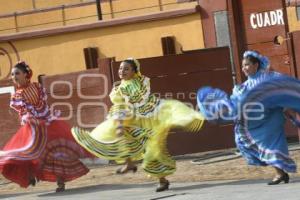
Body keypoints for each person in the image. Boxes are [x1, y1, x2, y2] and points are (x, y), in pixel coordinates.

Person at [72, 58, 204, 192]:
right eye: (120, 68)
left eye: (126, 69)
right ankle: (129, 163)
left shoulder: (139, 82)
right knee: (119, 134)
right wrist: (120, 115)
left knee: (152, 149)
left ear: (135, 71)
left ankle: (162, 180)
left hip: (146, 119)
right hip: (131, 118)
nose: (122, 71)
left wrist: (123, 94)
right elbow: (120, 103)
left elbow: (139, 100)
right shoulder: (121, 86)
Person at [197, 50, 300, 185]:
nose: (243, 68)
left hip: (271, 120)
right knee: (263, 144)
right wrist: (217, 110)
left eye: (246, 65)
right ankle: (281, 173)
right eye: (243, 65)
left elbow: (282, 90)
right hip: (256, 122)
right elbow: (236, 104)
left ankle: (280, 174)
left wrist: (289, 108)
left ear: (256, 65)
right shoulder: (244, 86)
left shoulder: (267, 78)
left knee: (269, 144)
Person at [0, 61, 90, 192]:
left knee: (54, 152)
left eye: (17, 73)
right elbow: (25, 112)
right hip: (32, 126)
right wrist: (32, 119)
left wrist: (41, 116)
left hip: (47, 122)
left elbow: (42, 103)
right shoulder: (17, 95)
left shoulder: (36, 86)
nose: (14, 76)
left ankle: (60, 181)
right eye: (13, 74)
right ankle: (30, 175)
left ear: (26, 74)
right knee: (29, 151)